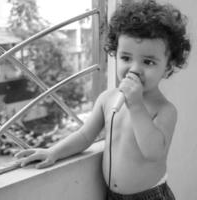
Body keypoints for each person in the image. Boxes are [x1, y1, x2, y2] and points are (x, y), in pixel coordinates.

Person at [15, 0, 191, 199]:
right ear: (115, 54)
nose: (134, 68)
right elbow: (84, 136)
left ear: (168, 67)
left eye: (148, 62)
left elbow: (153, 153)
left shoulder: (165, 110)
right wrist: (54, 152)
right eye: (125, 58)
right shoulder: (107, 99)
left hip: (150, 195)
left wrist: (136, 106)